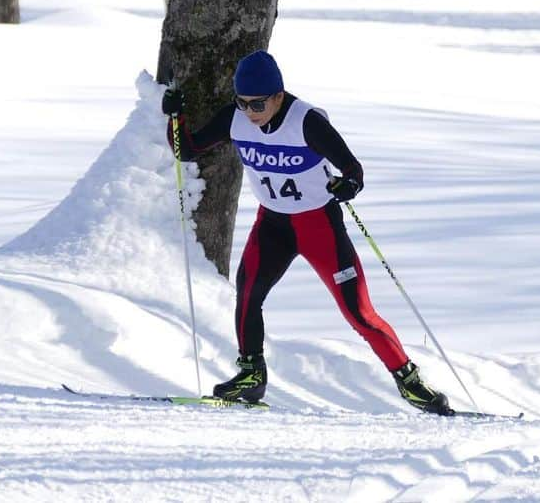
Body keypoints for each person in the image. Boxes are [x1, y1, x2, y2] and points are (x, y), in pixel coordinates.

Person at [162, 50, 453, 415]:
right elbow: (185, 150)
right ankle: (251, 375)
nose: (250, 112)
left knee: (358, 312)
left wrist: (349, 185)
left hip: (318, 225)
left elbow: (353, 169)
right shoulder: (235, 119)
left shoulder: (306, 122)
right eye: (243, 103)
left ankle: (410, 381)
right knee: (248, 295)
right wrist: (174, 115)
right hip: (273, 224)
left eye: (258, 104)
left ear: (279, 96)